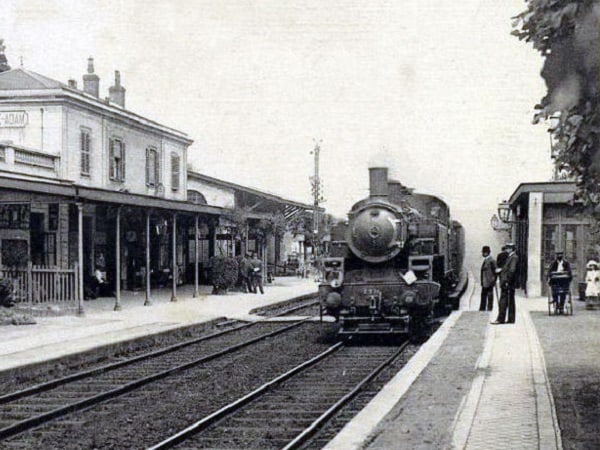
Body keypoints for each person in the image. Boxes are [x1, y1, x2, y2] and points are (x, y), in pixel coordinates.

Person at [491, 243, 518, 324]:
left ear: (511, 249)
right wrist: (501, 270)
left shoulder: (513, 257)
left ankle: (500, 319)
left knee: (503, 301)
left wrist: (507, 281)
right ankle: (510, 319)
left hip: (508, 283)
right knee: (509, 301)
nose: (506, 250)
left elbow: (512, 270)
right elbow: (507, 269)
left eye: (508, 248)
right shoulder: (511, 257)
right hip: (509, 283)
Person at [479, 246, 496, 311]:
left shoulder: (491, 260)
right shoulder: (486, 260)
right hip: (485, 282)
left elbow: (495, 271)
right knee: (484, 295)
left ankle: (489, 308)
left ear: (486, 253)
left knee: (489, 296)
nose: (482, 254)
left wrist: (493, 280)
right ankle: (483, 308)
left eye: (483, 252)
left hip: (489, 282)